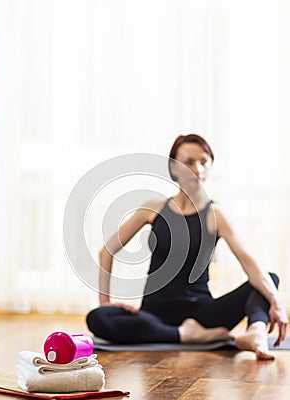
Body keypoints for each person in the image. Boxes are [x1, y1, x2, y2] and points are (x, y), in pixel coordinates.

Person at [86, 134, 288, 360]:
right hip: (155, 314)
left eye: (204, 161)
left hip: (203, 315)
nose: (198, 168)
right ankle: (185, 335)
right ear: (173, 167)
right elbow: (107, 251)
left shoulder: (215, 215)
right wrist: (105, 303)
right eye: (189, 162)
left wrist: (277, 304)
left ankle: (256, 333)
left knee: (269, 279)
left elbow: (250, 264)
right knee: (98, 318)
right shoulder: (153, 209)